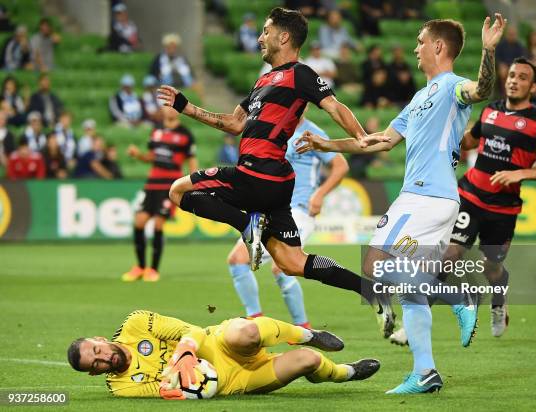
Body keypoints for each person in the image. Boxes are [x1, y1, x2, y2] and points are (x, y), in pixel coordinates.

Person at [296, 14, 507, 394]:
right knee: (408, 282)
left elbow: (482, 90)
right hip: (428, 200)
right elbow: (379, 140)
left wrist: (489, 49)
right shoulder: (419, 97)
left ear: (438, 47)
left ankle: (457, 296)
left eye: (421, 41)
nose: (415, 48)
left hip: (426, 197)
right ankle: (425, 372)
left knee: (375, 266)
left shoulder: (451, 87)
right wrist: (325, 144)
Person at [157, 7, 394, 336]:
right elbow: (233, 123)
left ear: (284, 37)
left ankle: (247, 225)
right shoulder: (262, 81)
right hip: (278, 183)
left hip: (255, 173)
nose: (259, 38)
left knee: (177, 191)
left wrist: (360, 136)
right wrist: (186, 107)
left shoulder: (301, 74)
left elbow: (334, 106)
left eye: (265, 32)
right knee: (292, 263)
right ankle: (369, 290)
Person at [436, 57, 536, 340]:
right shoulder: (491, 110)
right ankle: (417, 318)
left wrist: (520, 174)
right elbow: (470, 140)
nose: (514, 80)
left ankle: (498, 303)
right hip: (471, 195)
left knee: (493, 268)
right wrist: (446, 134)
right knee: (450, 256)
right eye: (512, 75)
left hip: (503, 209)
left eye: (523, 77)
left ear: (534, 86)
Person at [67, 310, 380, 398]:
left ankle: (309, 334)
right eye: (95, 363)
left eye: (98, 350)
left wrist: (186, 354)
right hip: (232, 381)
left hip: (217, 342)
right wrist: (181, 388)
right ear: (95, 372)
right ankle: (345, 373)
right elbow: (167, 389)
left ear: (99, 339)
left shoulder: (136, 324)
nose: (103, 357)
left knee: (246, 331)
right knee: (309, 361)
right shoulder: (121, 387)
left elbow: (190, 331)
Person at [226, 113, 349, 327]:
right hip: (270, 208)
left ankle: (302, 327)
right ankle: (255, 321)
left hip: (299, 209)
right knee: (237, 260)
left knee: (282, 265)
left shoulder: (312, 133)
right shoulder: (271, 130)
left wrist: (319, 194)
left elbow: (341, 165)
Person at [122, 106, 198, 282]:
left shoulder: (186, 134)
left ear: (178, 111)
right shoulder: (156, 131)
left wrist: (194, 182)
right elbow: (151, 157)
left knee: (158, 224)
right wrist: (138, 155)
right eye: (167, 107)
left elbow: (191, 160)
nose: (170, 110)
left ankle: (153, 269)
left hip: (170, 185)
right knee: (139, 222)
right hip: (153, 183)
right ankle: (140, 267)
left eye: (173, 107)